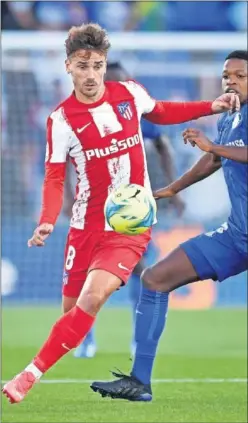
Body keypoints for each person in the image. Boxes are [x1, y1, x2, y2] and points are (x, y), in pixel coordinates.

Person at [2, 23, 239, 404]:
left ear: (104, 63)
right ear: (68, 67)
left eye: (97, 65)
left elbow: (160, 111)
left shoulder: (128, 94)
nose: (91, 74)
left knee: (92, 299)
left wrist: (208, 106)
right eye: (82, 66)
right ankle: (70, 347)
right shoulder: (60, 121)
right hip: (83, 227)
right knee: (72, 317)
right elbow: (53, 176)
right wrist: (47, 219)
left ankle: (27, 376)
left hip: (128, 224)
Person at [90, 50, 247, 402]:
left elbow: (218, 149)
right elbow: (213, 159)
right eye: (226, 75)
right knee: (155, 278)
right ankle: (139, 382)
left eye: (240, 75)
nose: (231, 81)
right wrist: (173, 188)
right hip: (238, 235)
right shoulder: (230, 117)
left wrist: (214, 145)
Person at [64, 61, 185, 358]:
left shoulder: (140, 116)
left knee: (141, 272)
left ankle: (138, 339)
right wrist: (69, 197)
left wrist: (174, 189)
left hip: (131, 207)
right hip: (93, 207)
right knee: (85, 273)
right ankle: (84, 339)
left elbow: (164, 148)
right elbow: (67, 159)